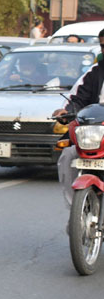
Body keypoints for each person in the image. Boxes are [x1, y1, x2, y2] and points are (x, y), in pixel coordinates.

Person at [53, 28, 104, 207]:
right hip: (94, 134)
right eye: (103, 46)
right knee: (68, 155)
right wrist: (66, 112)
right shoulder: (94, 73)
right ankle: (77, 211)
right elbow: (77, 99)